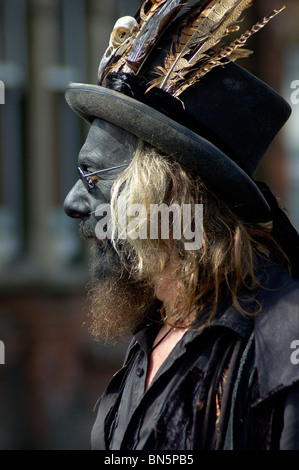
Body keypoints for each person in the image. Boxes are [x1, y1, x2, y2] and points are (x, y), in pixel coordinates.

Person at [63, 0, 299, 450]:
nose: (73, 203)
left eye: (93, 176)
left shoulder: (283, 337)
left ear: (166, 191)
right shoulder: (150, 338)